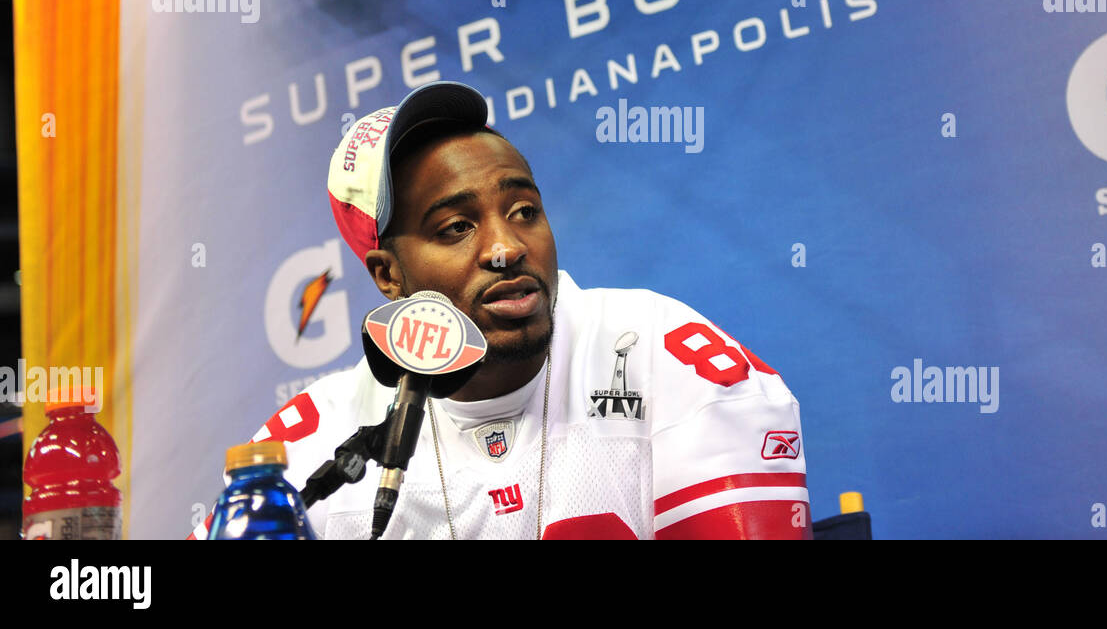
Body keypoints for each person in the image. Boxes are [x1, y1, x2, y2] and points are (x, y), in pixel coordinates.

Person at [191, 81, 810, 539]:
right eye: (457, 227)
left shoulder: (659, 352)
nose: (507, 248)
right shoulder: (301, 452)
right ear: (388, 275)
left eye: (523, 212)